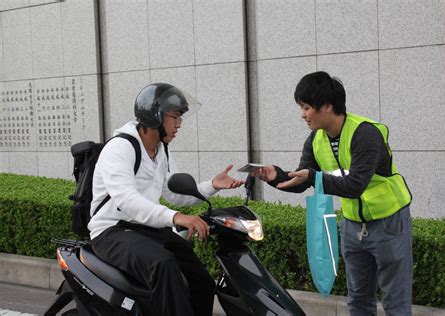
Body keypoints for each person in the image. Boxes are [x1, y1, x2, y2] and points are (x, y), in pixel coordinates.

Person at [252, 71, 413, 316]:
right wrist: (276, 176)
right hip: (352, 226)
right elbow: (303, 180)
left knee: (395, 302)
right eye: (301, 107)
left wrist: (312, 177)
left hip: (389, 222)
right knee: (358, 299)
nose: (302, 115)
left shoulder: (365, 134)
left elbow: (354, 185)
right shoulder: (316, 140)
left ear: (328, 106)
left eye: (306, 107)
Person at [88, 83, 245, 316]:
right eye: (175, 117)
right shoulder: (120, 148)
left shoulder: (161, 150)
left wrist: (211, 186)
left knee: (200, 279)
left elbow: (173, 193)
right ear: (155, 115)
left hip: (144, 229)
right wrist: (177, 218)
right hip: (111, 231)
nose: (179, 125)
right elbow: (127, 201)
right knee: (163, 264)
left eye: (181, 118)